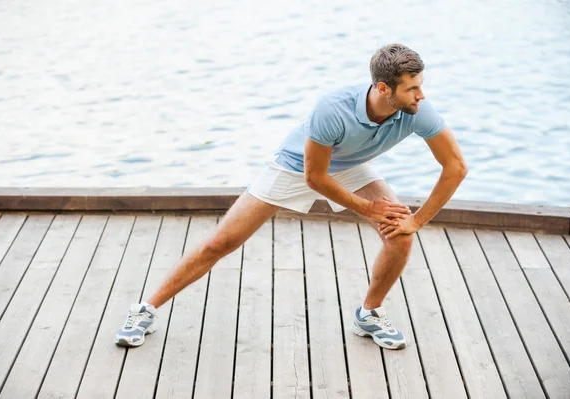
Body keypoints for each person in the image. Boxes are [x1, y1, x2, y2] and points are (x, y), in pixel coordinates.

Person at [115, 43, 468, 350]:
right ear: (382, 88)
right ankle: (145, 310)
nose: (421, 95)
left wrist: (415, 221)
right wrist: (366, 208)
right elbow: (314, 177)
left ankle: (369, 313)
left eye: (421, 86)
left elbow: (455, 167)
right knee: (221, 242)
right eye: (412, 89)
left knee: (400, 237)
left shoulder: (417, 110)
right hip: (295, 165)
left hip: (352, 165)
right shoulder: (334, 108)